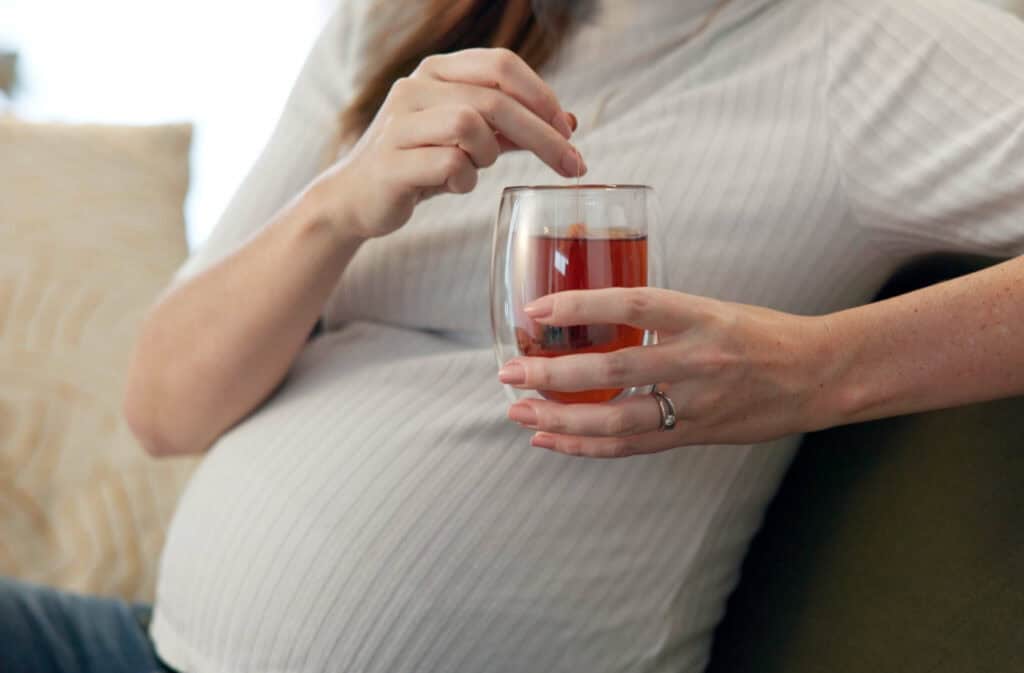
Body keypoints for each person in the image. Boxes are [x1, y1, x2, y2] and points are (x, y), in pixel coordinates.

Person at [3, 0, 1023, 671]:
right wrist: (337, 204)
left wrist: (821, 370)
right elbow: (162, 408)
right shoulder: (403, 19)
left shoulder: (873, 45)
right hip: (142, 649)